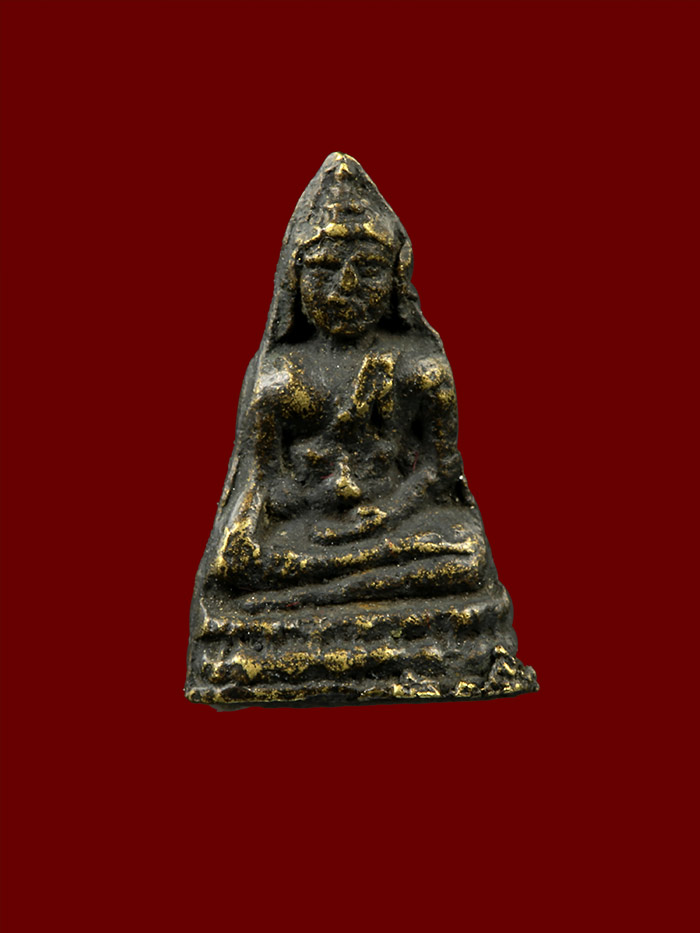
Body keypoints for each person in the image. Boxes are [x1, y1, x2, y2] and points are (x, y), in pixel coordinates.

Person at [186, 153, 537, 707]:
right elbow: (262, 485)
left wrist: (383, 515)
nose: (346, 286)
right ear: (294, 280)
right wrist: (317, 502)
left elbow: (441, 474)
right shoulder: (280, 376)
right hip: (311, 527)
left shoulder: (420, 368)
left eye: (368, 269)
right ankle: (335, 599)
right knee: (235, 563)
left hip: (390, 523)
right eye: (325, 268)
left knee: (466, 553)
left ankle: (314, 604)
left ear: (396, 280)